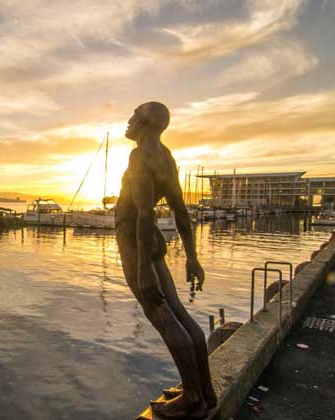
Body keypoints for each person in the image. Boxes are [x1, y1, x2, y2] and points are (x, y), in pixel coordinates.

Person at [115, 102, 217, 419]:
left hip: (136, 243)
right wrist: (192, 258)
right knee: (180, 315)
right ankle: (203, 391)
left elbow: (145, 215)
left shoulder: (140, 156)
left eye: (135, 115)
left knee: (162, 316)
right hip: (151, 242)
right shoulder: (166, 156)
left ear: (145, 123)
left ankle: (192, 399)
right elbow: (181, 213)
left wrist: (144, 269)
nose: (129, 121)